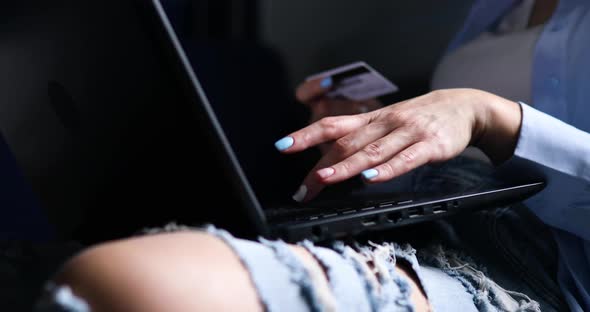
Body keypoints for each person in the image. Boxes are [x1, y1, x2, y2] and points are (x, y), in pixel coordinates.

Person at [33, 0, 590, 311]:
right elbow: (465, 164)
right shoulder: (500, 8)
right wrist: (377, 140)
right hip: (435, 222)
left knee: (132, 281)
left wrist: (493, 116)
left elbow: (492, 126)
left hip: (537, 273)